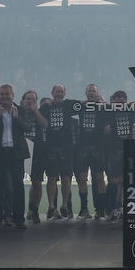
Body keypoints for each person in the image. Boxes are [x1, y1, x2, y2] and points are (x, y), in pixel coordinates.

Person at [0, 84, 31, 229]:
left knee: (18, 186)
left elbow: (28, 128)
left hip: (16, 152)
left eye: (7, 94)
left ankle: (19, 218)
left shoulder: (21, 110)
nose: (4, 96)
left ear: (12, 95)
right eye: (1, 94)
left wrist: (17, 118)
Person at [38, 85, 81, 220]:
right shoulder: (46, 107)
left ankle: (64, 206)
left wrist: (97, 100)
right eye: (57, 92)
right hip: (50, 148)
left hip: (66, 149)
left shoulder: (69, 104)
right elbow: (35, 114)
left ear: (65, 93)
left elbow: (83, 104)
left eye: (62, 92)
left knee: (66, 178)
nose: (59, 94)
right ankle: (51, 206)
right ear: (52, 93)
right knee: (51, 178)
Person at [104, 90, 135, 223]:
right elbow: (102, 125)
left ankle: (120, 207)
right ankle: (114, 208)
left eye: (123, 103)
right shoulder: (109, 111)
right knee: (113, 180)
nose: (120, 105)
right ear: (113, 102)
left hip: (128, 149)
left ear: (126, 101)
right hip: (114, 150)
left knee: (125, 181)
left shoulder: (131, 110)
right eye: (118, 103)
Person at [74, 84, 106, 220]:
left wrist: (103, 103)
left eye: (94, 91)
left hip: (97, 147)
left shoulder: (102, 108)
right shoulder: (81, 106)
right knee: (81, 178)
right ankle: (84, 208)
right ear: (86, 93)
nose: (92, 93)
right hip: (82, 147)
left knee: (99, 177)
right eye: (90, 91)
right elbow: (69, 106)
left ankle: (101, 209)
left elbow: (110, 113)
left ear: (97, 93)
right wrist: (83, 102)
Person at [20, 90, 48, 223]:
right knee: (17, 183)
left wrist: (36, 111)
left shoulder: (40, 112)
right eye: (28, 99)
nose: (30, 101)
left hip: (37, 151)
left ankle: (34, 210)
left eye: (33, 99)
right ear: (23, 100)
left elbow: (45, 125)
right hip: (21, 151)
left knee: (37, 182)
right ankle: (18, 211)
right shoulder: (18, 112)